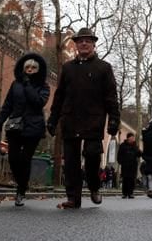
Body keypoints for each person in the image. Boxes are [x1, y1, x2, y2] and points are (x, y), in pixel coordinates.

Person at [47, 27, 120, 209]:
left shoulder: (104, 68)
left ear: (94, 44)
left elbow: (111, 96)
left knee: (93, 155)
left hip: (94, 120)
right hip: (70, 119)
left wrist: (113, 119)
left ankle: (94, 186)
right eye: (80, 41)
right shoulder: (68, 68)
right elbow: (59, 96)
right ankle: (73, 198)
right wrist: (53, 119)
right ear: (76, 45)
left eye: (88, 41)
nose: (84, 43)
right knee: (71, 161)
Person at [0, 53, 50, 207]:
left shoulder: (44, 86)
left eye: (33, 68)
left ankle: (21, 190)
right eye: (27, 67)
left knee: (25, 159)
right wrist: (0, 120)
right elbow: (8, 105)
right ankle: (22, 183)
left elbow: (38, 102)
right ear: (23, 68)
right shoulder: (15, 84)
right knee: (13, 158)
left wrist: (27, 84)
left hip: (34, 128)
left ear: (38, 69)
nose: (30, 70)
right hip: (15, 127)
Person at [117, 132, 142, 198]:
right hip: (125, 165)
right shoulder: (123, 145)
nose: (133, 139)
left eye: (133, 137)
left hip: (133, 166)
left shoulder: (135, 146)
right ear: (128, 138)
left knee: (131, 179)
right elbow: (119, 154)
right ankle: (124, 193)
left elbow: (139, 154)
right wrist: (120, 161)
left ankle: (130, 193)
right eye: (132, 137)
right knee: (125, 179)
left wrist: (138, 149)